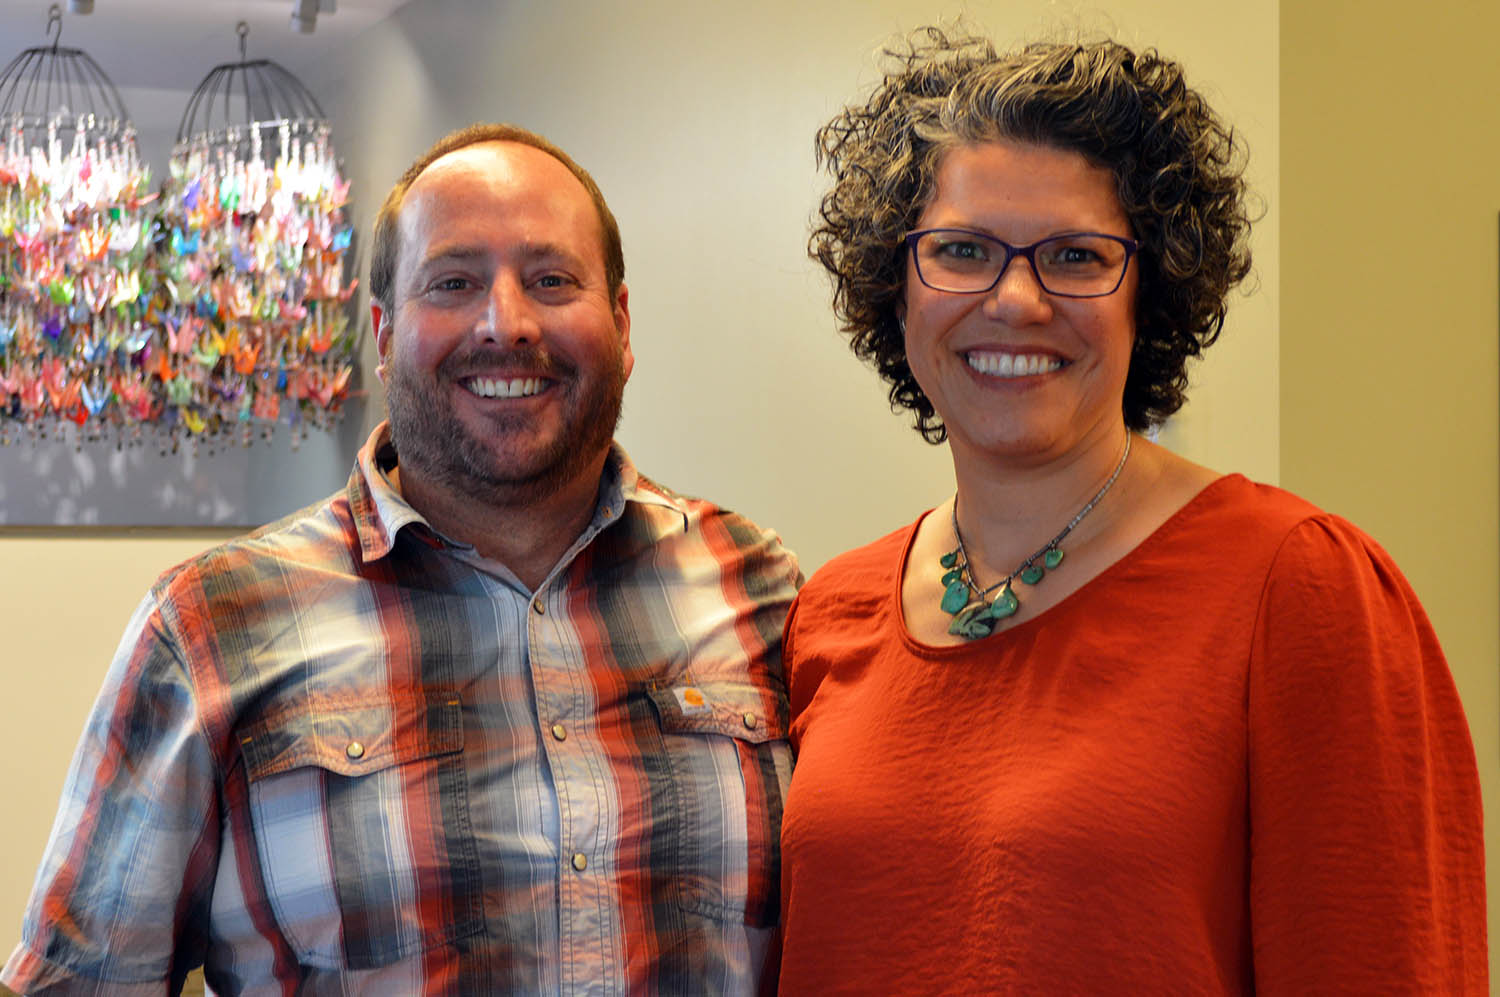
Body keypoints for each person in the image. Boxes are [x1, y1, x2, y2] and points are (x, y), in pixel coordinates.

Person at [2, 123, 800, 995]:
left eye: (552, 280)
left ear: (621, 322)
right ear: (383, 335)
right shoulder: (206, 627)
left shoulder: (760, 585)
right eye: (453, 282)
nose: (507, 322)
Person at [777, 27, 1486, 994]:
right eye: (961, 250)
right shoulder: (831, 606)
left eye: (1074, 255)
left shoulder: (1299, 587)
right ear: (895, 292)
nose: (1015, 299)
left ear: (1147, 293)